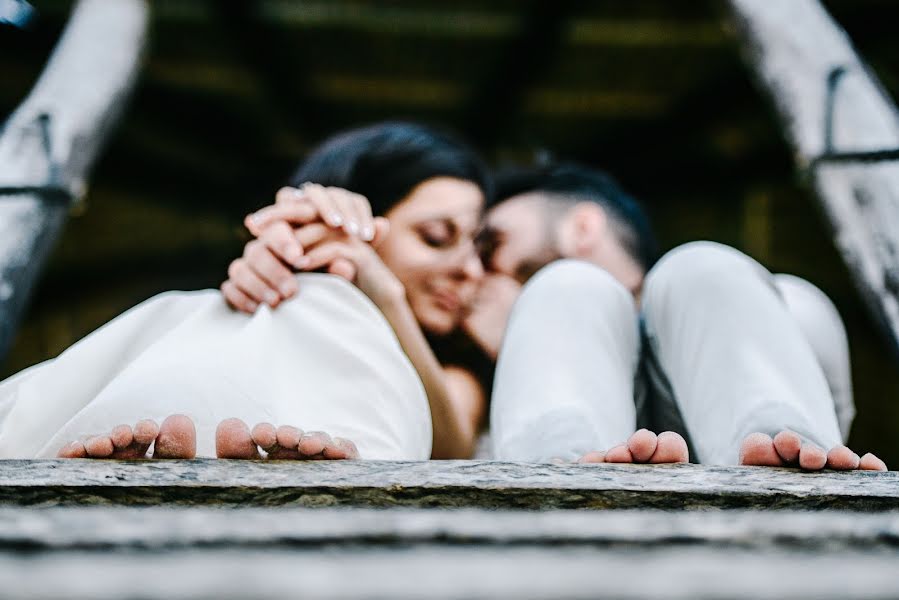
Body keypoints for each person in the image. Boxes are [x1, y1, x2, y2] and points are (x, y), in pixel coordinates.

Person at [237, 161, 886, 471]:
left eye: (491, 246)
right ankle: (563, 457)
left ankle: (776, 441)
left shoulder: (724, 291)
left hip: (747, 385)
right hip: (562, 437)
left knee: (712, 272)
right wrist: (519, 346)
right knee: (568, 291)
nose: (475, 274)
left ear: (580, 224)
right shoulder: (485, 364)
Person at [0, 122, 492, 461]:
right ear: (365, 226)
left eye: (479, 248)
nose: (470, 270)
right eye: (436, 237)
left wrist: (382, 294)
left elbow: (453, 445)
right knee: (186, 313)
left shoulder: (459, 364)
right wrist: (294, 253)